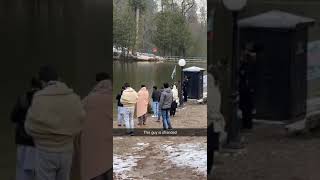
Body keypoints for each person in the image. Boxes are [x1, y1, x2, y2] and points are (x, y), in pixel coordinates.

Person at [25, 66, 85, 180]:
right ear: (58, 78)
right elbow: (81, 120)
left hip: (45, 151)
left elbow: (29, 127)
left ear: (42, 82)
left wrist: (41, 137)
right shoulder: (73, 97)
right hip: (67, 149)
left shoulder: (39, 98)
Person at [77, 72, 113, 180]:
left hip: (92, 142)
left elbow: (77, 118)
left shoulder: (87, 99)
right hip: (110, 140)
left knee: (95, 169)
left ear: (96, 83)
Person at [11, 77, 42, 180]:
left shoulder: (22, 98)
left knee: (22, 173)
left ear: (31, 86)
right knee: (38, 173)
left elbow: (13, 117)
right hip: (37, 143)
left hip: (22, 141)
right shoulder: (43, 100)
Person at [239, 51, 255, 130]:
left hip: (246, 89)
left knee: (246, 107)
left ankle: (247, 124)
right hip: (246, 89)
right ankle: (247, 124)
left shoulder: (246, 66)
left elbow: (244, 76)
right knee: (247, 107)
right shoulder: (248, 66)